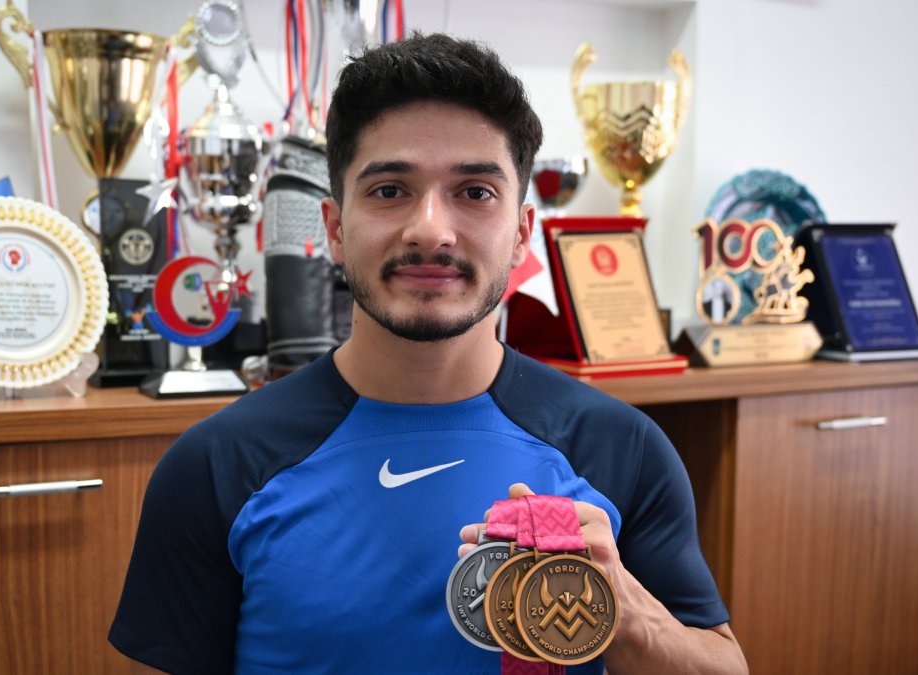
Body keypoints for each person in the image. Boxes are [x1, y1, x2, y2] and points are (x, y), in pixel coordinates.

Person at [109, 33, 747, 674]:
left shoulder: (622, 449)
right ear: (334, 228)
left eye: (474, 192)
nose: (431, 231)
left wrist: (630, 617)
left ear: (522, 232)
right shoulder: (217, 465)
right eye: (390, 190)